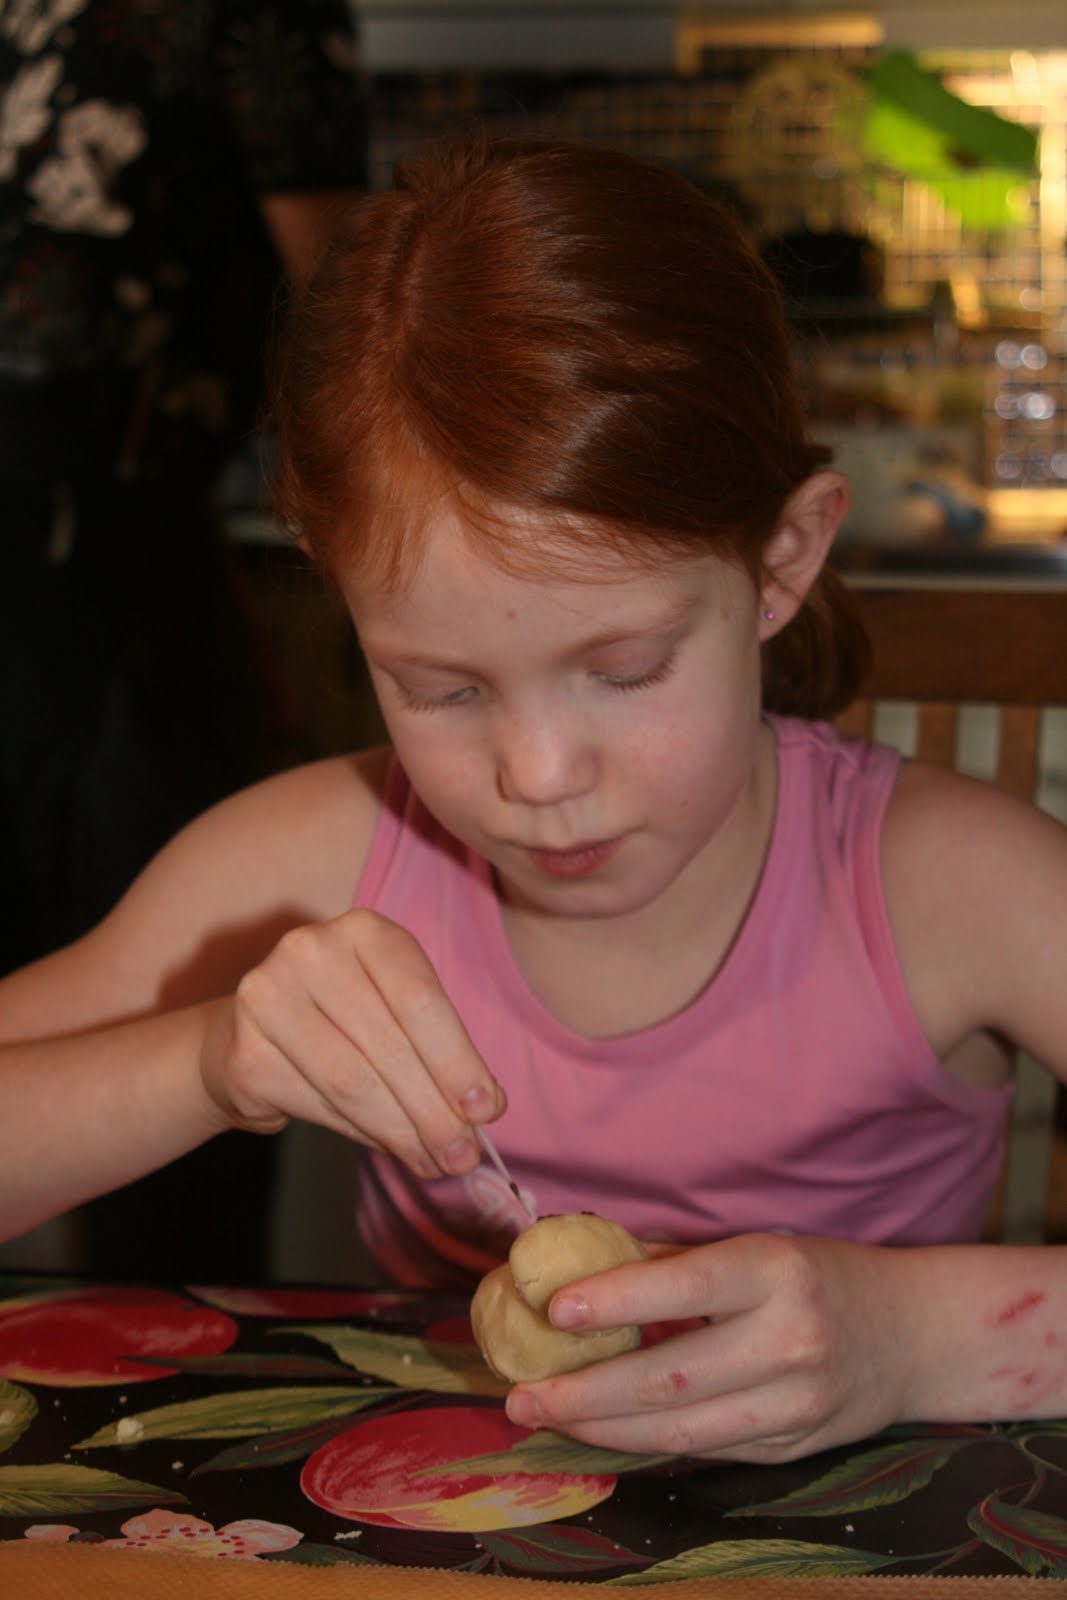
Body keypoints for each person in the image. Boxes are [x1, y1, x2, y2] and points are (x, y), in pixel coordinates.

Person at [2, 133, 1067, 1464]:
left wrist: (913, 1337)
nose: (538, 778)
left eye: (624, 670)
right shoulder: (307, 862)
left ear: (780, 561)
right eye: (441, 689)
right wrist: (207, 1061)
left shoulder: (957, 888)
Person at [0, 0, 367, 1278]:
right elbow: (350, 311)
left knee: (177, 1045)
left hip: (107, 557)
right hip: (93, 568)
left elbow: (360, 323)